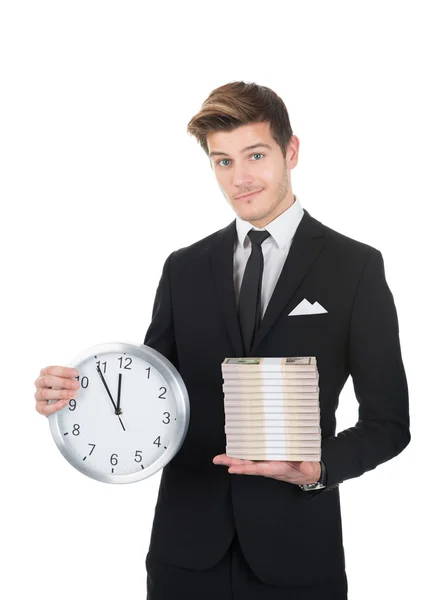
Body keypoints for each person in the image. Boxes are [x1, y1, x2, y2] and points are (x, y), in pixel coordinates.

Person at [34, 81, 411, 600]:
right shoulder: (185, 267)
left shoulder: (356, 267)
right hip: (185, 554)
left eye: (255, 155)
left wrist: (318, 468)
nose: (241, 178)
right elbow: (153, 395)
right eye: (222, 161)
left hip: (298, 552)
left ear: (291, 151)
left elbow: (389, 424)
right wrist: (75, 396)